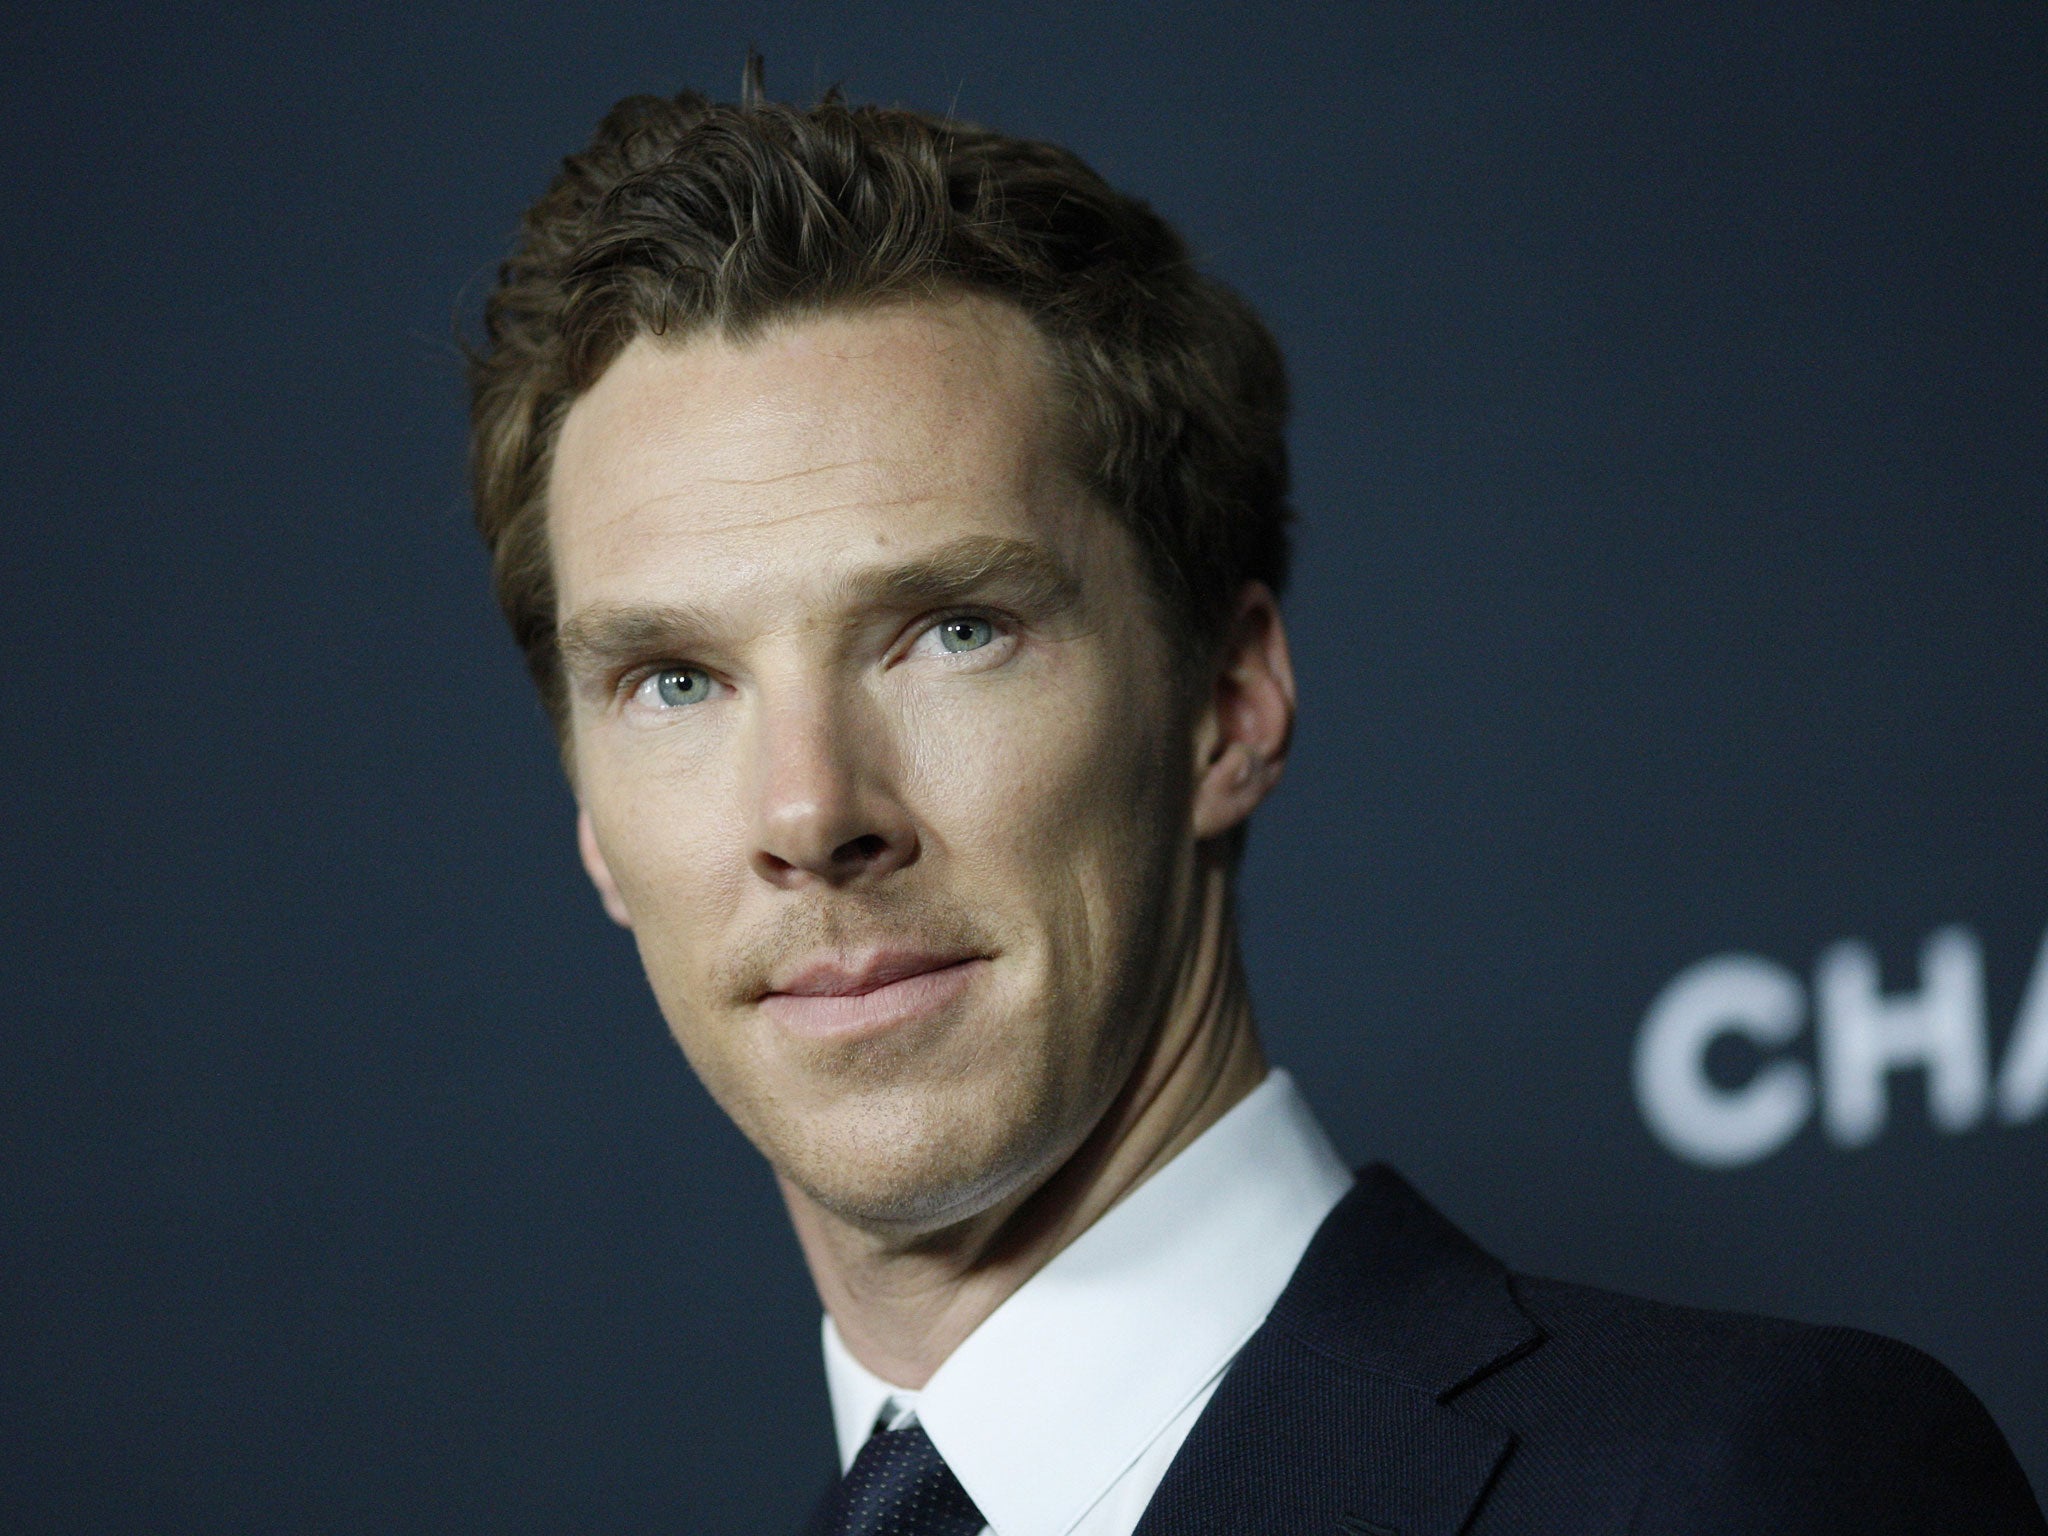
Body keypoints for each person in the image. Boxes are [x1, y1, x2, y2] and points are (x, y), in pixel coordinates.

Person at [464, 74, 2044, 1536]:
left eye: (953, 630)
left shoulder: (1749, 1488)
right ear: (593, 824)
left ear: (1228, 706)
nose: (811, 810)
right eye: (676, 680)